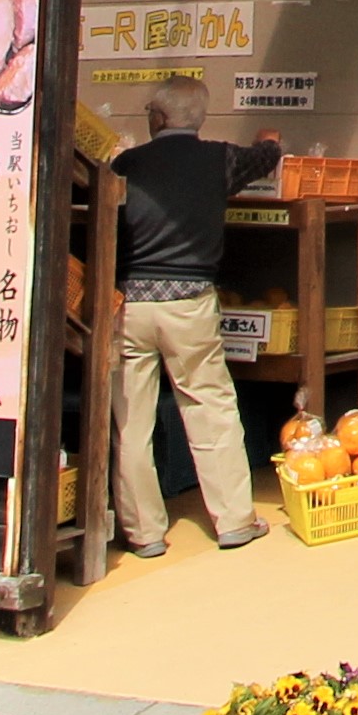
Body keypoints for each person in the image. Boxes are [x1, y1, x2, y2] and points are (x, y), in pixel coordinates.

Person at [106, 74, 286, 558]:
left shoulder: (127, 163)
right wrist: (270, 142)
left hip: (131, 305)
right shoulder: (219, 159)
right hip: (190, 304)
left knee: (131, 422)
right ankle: (234, 521)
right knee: (210, 407)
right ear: (199, 119)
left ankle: (143, 533)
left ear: (159, 117)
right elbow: (263, 158)